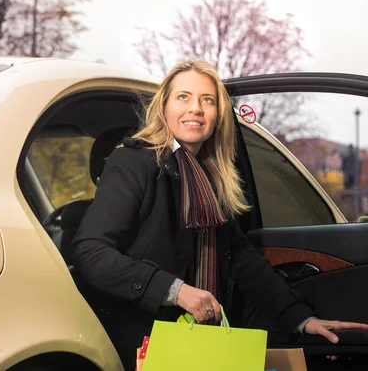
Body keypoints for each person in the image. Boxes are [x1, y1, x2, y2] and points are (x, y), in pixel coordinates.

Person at [70, 60, 368, 369]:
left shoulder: (209, 177)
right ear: (164, 108)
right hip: (141, 338)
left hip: (202, 341)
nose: (195, 108)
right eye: (183, 97)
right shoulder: (135, 162)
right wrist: (175, 290)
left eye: (207, 100)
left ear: (217, 115)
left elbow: (239, 257)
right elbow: (90, 251)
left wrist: (301, 319)